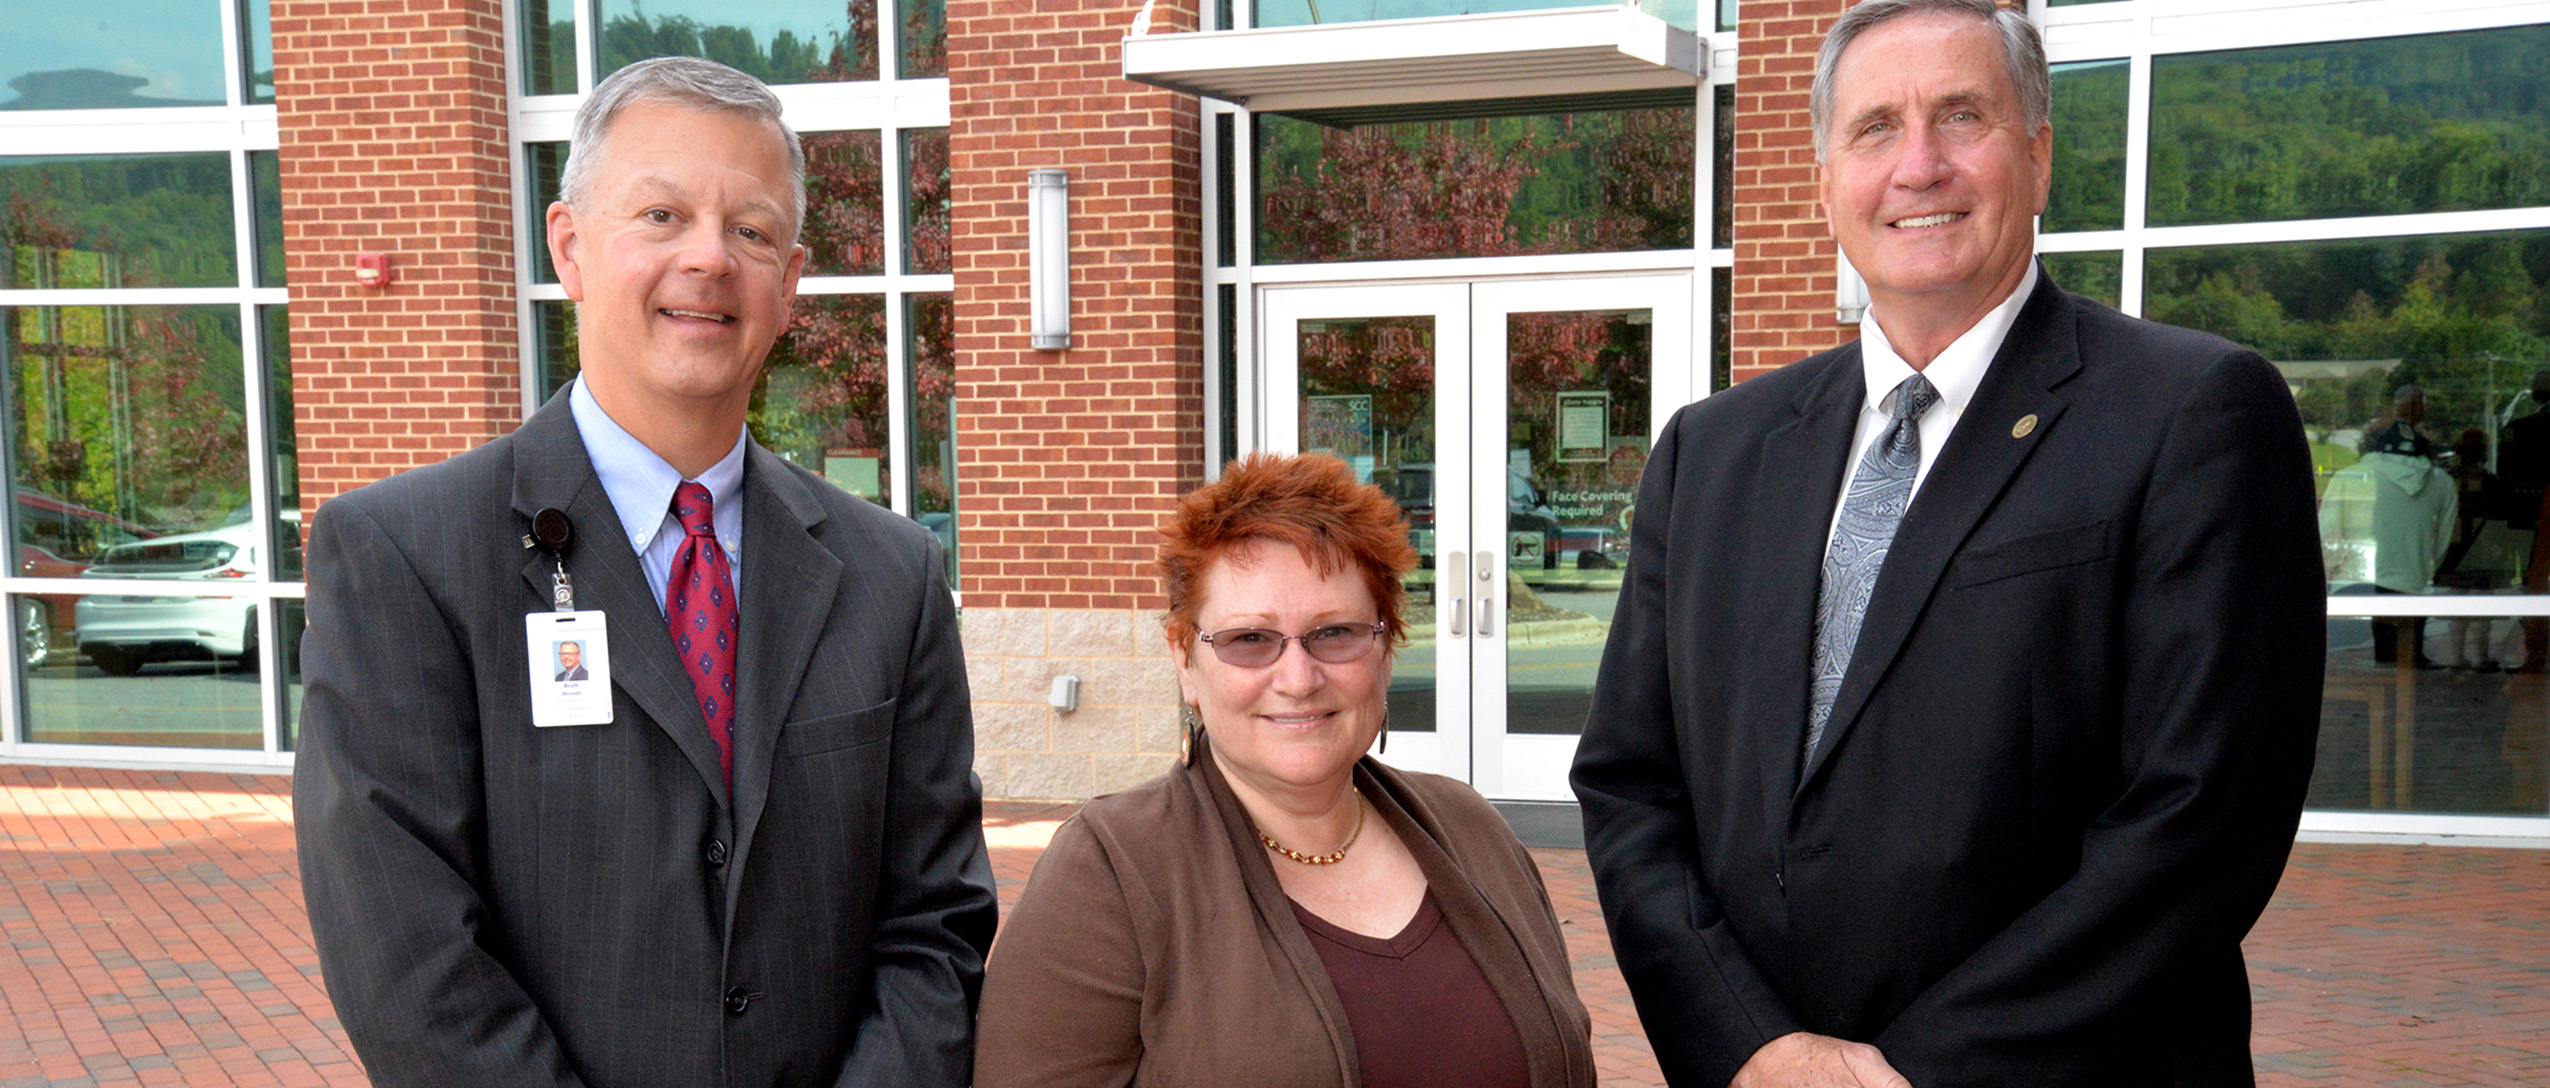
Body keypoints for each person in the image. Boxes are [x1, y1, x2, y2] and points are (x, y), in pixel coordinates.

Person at [1569, 2, 2325, 1085]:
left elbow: (2202, 817)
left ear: (2038, 152)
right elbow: (1632, 785)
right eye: (1876, 127)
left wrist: (1916, 1071)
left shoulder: (2192, 412)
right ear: (1826, 177)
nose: (1917, 165)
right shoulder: (1713, 451)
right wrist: (1749, 1042)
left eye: (1961, 116)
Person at [294, 56, 997, 1087]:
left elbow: (936, 924)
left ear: (790, 284)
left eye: (751, 230)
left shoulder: (889, 573)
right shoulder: (404, 555)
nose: (709, 259)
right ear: (569, 247)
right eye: (661, 215)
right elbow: (406, 955)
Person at [975, 453, 1595, 1088]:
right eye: (1250, 640)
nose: (1298, 679)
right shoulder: (1111, 873)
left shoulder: (1470, 828)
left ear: (1385, 650)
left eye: (1335, 633)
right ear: (1186, 660)